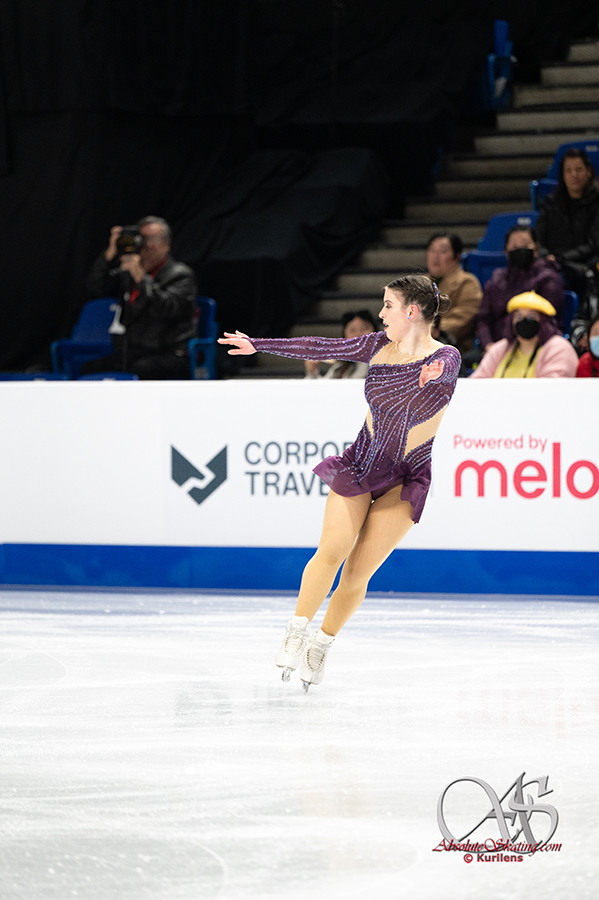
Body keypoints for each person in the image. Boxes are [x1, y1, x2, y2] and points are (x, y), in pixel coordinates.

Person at [219, 274, 461, 690]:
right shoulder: (376, 346)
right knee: (331, 551)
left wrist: (432, 378)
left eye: (388, 306)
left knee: (356, 574)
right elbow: (319, 346)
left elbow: (443, 378)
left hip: (406, 479)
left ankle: (321, 644)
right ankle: (297, 631)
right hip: (361, 466)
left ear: (411, 311)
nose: (381, 313)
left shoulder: (446, 357)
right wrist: (259, 345)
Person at [84, 216, 197, 379]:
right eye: (142, 239)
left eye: (153, 239)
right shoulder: (128, 274)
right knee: (91, 369)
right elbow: (95, 287)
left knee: (140, 370)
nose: (147, 245)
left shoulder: (181, 275)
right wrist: (110, 252)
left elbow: (164, 309)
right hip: (134, 351)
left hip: (170, 352)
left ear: (167, 245)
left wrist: (141, 277)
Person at [476, 225, 565, 350]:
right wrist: (488, 345)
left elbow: (547, 319)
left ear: (536, 248)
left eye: (525, 245)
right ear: (506, 251)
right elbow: (483, 319)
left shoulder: (548, 278)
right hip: (494, 347)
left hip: (534, 346)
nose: (520, 250)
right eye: (514, 247)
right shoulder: (497, 279)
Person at [536, 148, 599, 300]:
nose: (574, 175)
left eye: (579, 170)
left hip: (587, 262)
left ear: (589, 172)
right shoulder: (550, 204)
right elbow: (539, 239)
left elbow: (594, 243)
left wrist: (561, 258)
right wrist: (547, 256)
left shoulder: (597, 201)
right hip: (555, 264)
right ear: (562, 175)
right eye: (568, 171)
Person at [470, 291, 578, 379]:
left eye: (531, 316)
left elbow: (551, 389)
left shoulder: (558, 348)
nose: (524, 321)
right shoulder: (501, 348)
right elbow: (477, 382)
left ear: (544, 321)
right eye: (518, 317)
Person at [426, 232, 482, 354]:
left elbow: (462, 321)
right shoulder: (420, 283)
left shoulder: (467, 282)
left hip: (455, 350)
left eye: (443, 251)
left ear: (457, 256)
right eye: (432, 250)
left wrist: (423, 330)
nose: (435, 256)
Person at [304, 309, 377, 379]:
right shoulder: (341, 366)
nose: (359, 334)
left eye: (364, 329)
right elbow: (326, 385)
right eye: (352, 330)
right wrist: (312, 372)